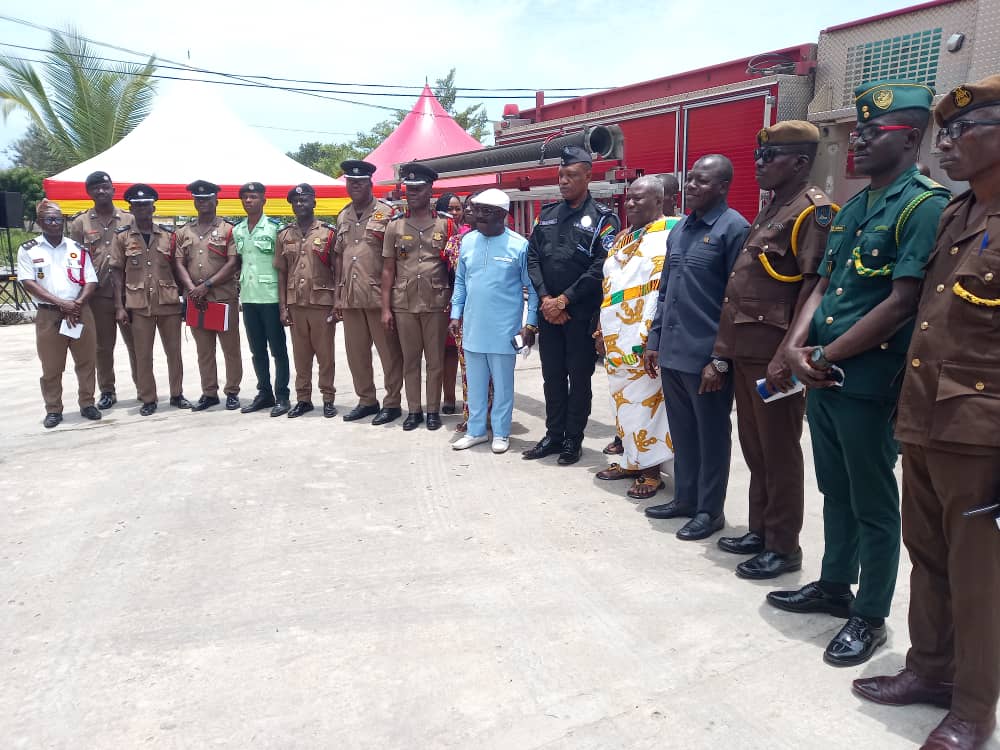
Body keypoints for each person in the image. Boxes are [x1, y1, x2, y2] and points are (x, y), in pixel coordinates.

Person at [768, 80, 950, 668]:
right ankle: (832, 585)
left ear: (912, 138)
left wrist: (824, 356)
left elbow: (901, 301)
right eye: (858, 132)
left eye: (873, 132)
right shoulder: (851, 209)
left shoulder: (924, 206)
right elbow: (821, 283)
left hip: (867, 382)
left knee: (874, 500)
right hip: (821, 374)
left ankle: (869, 614)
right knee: (835, 489)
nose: (859, 141)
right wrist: (796, 346)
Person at [852, 75, 1000, 750]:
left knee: (980, 580)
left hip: (982, 438)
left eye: (965, 130)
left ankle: (973, 710)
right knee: (930, 559)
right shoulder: (957, 213)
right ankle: (929, 670)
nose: (948, 145)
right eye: (945, 132)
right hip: (926, 420)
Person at [713, 122, 834, 579]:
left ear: (800, 163)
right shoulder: (772, 208)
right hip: (748, 349)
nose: (759, 164)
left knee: (780, 451)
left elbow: (812, 286)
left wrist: (789, 351)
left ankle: (784, 547)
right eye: (759, 156)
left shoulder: (812, 213)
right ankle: (761, 531)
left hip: (776, 355)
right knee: (756, 447)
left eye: (771, 157)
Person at [641, 155, 750, 541]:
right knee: (683, 433)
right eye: (690, 180)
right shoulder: (681, 229)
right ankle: (685, 499)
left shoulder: (733, 229)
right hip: (673, 352)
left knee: (711, 436)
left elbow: (736, 302)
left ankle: (709, 510)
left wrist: (720, 360)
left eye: (701, 182)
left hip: (706, 358)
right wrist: (654, 342)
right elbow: (666, 290)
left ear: (722, 187)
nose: (691, 187)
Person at [523, 145, 620, 464]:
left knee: (579, 379)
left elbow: (600, 265)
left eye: (572, 175)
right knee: (551, 377)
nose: (564, 181)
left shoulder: (605, 219)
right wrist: (547, 300)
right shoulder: (547, 214)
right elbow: (533, 257)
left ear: (589, 177)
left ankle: (572, 440)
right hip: (549, 313)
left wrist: (565, 300)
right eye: (561, 175)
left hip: (579, 316)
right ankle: (553, 435)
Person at [594, 175, 676, 499]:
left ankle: (651, 472)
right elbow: (610, 284)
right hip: (616, 333)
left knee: (647, 403)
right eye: (628, 199)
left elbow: (666, 289)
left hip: (645, 334)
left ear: (659, 200)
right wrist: (601, 330)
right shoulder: (622, 239)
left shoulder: (672, 232)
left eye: (638, 199)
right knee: (622, 402)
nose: (630, 204)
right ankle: (630, 460)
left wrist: (652, 337)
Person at [448, 188, 538, 454]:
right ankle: (476, 431)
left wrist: (529, 323)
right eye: (476, 210)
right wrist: (455, 314)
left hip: (504, 330)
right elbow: (462, 282)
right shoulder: (468, 242)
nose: (476, 215)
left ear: (502, 214)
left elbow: (531, 289)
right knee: (474, 385)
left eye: (485, 211)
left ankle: (501, 432)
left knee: (502, 386)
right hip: (473, 327)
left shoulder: (519, 245)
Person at [380, 163, 456, 431]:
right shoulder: (395, 226)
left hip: (436, 302)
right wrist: (385, 308)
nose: (412, 193)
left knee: (434, 360)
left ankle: (433, 409)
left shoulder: (446, 224)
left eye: (418, 189)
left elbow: (454, 268)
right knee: (410, 359)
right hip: (404, 303)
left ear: (430, 190)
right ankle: (414, 410)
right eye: (409, 189)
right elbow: (388, 269)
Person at [110, 184, 192, 416]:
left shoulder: (168, 235)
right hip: (138, 305)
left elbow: (179, 268)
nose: (143, 209)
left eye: (146, 204)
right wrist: (119, 306)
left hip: (168, 303)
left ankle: (176, 394)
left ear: (153, 207)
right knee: (143, 354)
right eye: (138, 205)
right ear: (131, 208)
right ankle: (148, 398)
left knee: (174, 352)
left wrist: (185, 299)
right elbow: (116, 272)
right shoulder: (123, 237)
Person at [17, 200, 100, 428]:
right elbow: (29, 283)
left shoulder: (78, 249)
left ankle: (87, 403)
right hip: (49, 315)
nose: (54, 223)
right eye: (49, 219)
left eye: (58, 219)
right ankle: (53, 409)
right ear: (39, 222)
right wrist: (62, 304)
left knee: (86, 362)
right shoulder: (29, 250)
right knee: (52, 367)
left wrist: (77, 304)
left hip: (80, 312)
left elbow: (91, 280)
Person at [334, 160, 404, 425]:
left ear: (370, 184)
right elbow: (339, 257)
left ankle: (392, 403)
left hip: (378, 295)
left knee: (388, 353)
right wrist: (338, 294)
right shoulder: (343, 215)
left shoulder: (387, 214)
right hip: (351, 296)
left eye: (360, 182)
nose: (355, 187)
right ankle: (366, 400)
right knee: (356, 354)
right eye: (351, 183)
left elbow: (396, 258)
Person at [67, 171, 137, 410]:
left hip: (129, 294)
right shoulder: (80, 223)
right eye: (95, 188)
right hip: (97, 297)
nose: (101, 191)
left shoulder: (129, 219)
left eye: (105, 187)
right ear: (89, 192)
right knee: (102, 348)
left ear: (113, 189)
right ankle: (107, 391)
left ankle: (143, 387)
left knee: (136, 344)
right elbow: (74, 261)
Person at [173, 180, 243, 412]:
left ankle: (232, 391)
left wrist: (208, 285)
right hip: (196, 300)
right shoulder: (183, 231)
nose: (203, 202)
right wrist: (192, 288)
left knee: (230, 348)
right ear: (194, 201)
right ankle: (209, 392)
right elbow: (178, 263)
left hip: (222, 298)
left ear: (216, 201)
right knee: (204, 350)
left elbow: (233, 263)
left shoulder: (228, 229)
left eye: (207, 199)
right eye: (199, 199)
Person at [274, 183, 338, 418]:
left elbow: (337, 269)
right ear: (291, 205)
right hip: (295, 303)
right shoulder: (284, 235)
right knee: (300, 355)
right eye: (296, 201)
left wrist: (337, 302)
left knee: (325, 355)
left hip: (321, 301)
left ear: (314, 203)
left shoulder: (328, 233)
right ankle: (303, 399)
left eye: (305, 200)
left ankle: (328, 398)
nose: (300, 204)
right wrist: (283, 307)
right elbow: (281, 272)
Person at [233, 182, 291, 417]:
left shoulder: (275, 229)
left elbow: (283, 267)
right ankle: (264, 392)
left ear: (264, 200)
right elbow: (238, 262)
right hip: (248, 296)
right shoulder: (238, 230)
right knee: (257, 350)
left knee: (277, 349)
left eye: (253, 197)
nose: (249, 201)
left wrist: (284, 302)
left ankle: (283, 395)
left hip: (270, 296)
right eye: (245, 197)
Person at [436, 192, 465, 414]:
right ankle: (448, 397)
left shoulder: (468, 235)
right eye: (450, 208)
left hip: (464, 301)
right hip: (440, 299)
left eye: (458, 208)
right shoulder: (434, 232)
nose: (454, 212)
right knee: (445, 351)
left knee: (462, 351)